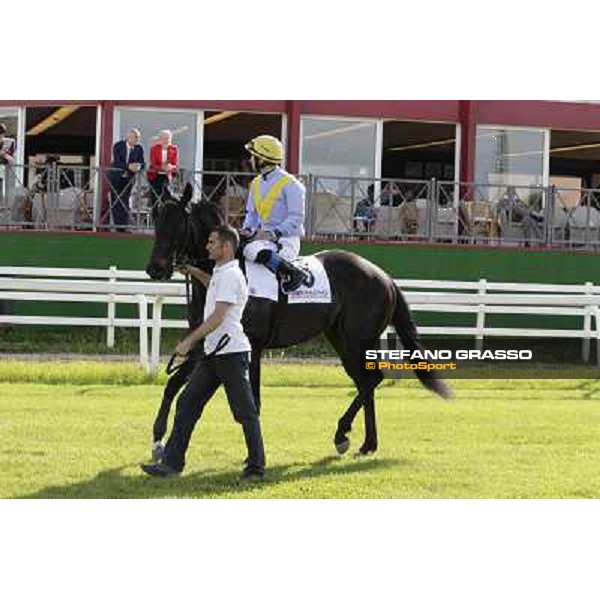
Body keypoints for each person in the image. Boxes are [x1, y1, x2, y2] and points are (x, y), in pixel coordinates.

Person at [141, 224, 266, 481]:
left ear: (227, 247)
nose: (207, 246)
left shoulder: (232, 275)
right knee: (187, 403)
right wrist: (195, 271)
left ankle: (256, 467)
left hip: (230, 353)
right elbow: (213, 286)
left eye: (212, 242)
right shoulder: (223, 272)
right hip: (215, 354)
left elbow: (219, 316)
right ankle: (171, 464)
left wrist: (189, 341)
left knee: (245, 412)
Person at [240, 134, 310, 293]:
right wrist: (247, 230)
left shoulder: (292, 184)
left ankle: (293, 273)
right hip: (263, 239)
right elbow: (252, 214)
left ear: (262, 159)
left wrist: (273, 233)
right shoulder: (256, 183)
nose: (250, 160)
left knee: (251, 250)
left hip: (286, 240)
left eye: (253, 156)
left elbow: (296, 218)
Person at [109, 128, 145, 232]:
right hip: (116, 177)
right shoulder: (118, 146)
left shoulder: (139, 148)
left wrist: (138, 166)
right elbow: (117, 162)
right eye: (136, 137)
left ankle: (124, 226)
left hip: (129, 178)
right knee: (116, 200)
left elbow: (142, 163)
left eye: (138, 137)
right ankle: (117, 227)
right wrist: (129, 166)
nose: (138, 139)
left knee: (125, 200)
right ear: (129, 137)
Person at [147, 129, 178, 205]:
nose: (166, 140)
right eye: (164, 138)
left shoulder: (174, 149)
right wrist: (162, 168)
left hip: (167, 175)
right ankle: (155, 215)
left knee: (167, 196)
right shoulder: (154, 149)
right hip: (155, 175)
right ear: (160, 139)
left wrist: (171, 167)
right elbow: (153, 164)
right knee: (155, 197)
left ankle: (166, 214)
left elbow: (175, 164)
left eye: (168, 138)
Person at [0, 123, 16, 204]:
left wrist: (6, 155)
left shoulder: (6, 143)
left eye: (2, 134)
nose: (1, 137)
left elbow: (11, 160)